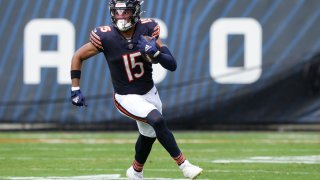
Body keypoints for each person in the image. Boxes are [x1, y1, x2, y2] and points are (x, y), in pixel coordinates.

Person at [70, 0, 203, 179]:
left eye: (125, 12)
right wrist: (75, 88)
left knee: (148, 135)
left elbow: (171, 64)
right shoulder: (105, 36)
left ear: (135, 12)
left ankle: (135, 171)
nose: (121, 16)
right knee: (157, 121)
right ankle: (184, 166)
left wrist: (154, 53)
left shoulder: (148, 29)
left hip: (149, 92)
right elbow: (78, 56)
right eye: (117, 12)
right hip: (126, 96)